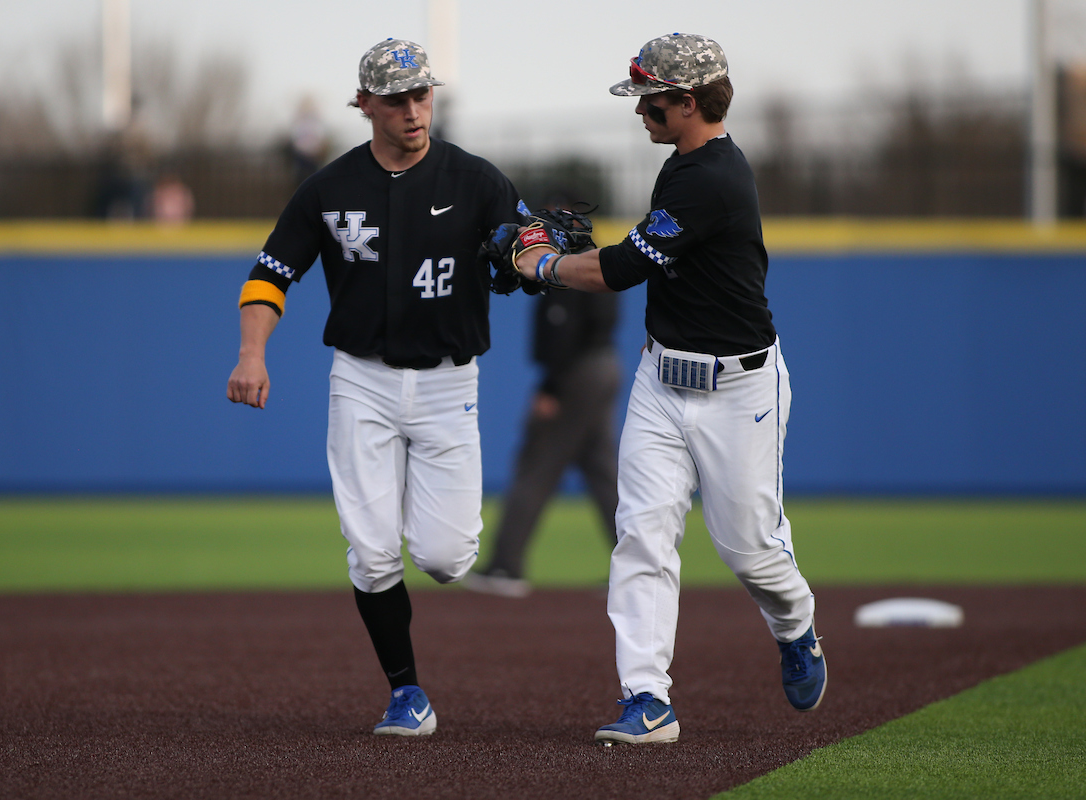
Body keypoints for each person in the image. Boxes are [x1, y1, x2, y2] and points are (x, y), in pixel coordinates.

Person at [509, 33, 826, 745]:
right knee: (641, 536)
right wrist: (559, 258)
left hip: (739, 390)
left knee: (750, 551)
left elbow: (621, 268)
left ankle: (795, 624)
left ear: (688, 101)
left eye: (651, 100)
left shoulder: (713, 177)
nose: (641, 112)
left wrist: (543, 266)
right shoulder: (683, 164)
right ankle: (648, 699)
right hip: (662, 380)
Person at [226, 38, 528, 737]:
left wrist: (529, 256)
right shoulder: (329, 188)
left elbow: (527, 249)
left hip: (450, 383)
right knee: (370, 549)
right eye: (397, 99)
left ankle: (413, 627)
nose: (414, 111)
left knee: (448, 559)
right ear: (364, 104)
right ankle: (405, 693)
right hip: (361, 380)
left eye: (423, 96)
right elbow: (271, 274)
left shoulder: (477, 180)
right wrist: (252, 353)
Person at [464, 287, 621, 598]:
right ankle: (640, 567)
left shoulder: (570, 268)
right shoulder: (600, 260)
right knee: (602, 472)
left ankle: (504, 567)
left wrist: (551, 387)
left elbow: (563, 328)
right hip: (604, 364)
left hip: (577, 373)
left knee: (536, 466)